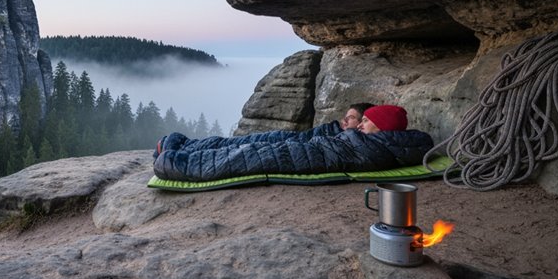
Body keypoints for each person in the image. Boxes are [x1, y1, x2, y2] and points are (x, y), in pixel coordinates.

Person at [153, 104, 432, 182]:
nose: (359, 125)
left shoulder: (374, 146)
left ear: (382, 127)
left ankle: (173, 160)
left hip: (316, 154)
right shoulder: (379, 141)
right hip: (321, 147)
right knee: (258, 141)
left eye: (365, 122)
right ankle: (181, 145)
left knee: (251, 155)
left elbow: (349, 147)